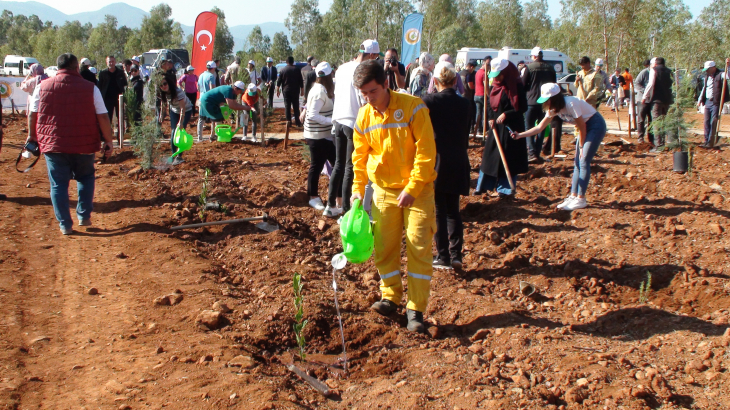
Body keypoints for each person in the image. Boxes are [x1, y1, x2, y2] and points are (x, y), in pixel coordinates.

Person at [351, 60, 437, 333]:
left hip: (418, 191)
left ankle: (416, 309)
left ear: (386, 84)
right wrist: (356, 191)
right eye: (364, 94)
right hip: (384, 193)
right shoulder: (364, 116)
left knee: (418, 247)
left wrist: (412, 189)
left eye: (373, 91)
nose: (368, 98)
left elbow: (426, 153)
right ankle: (390, 296)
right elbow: (359, 159)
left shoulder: (413, 108)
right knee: (384, 247)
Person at [26, 53, 114, 235]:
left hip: (53, 145)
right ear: (76, 68)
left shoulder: (42, 87)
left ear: (58, 68)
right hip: (84, 144)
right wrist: (108, 140)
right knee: (86, 177)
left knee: (58, 184)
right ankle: (84, 216)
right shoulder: (91, 88)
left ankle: (65, 225)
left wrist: (32, 137)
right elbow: (103, 116)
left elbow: (33, 114)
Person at [512, 83, 606, 211]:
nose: (545, 103)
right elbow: (540, 127)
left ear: (554, 98)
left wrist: (582, 146)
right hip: (584, 129)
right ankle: (573, 196)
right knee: (577, 162)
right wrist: (520, 135)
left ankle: (581, 198)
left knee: (583, 160)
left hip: (595, 126)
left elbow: (582, 127)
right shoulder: (553, 109)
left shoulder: (571, 103)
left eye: (547, 100)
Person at [422, 61, 470, 271]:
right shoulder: (468, 104)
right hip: (460, 159)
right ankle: (456, 255)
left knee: (439, 209)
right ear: (455, 80)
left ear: (435, 81)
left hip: (439, 160)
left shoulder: (429, 101)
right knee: (454, 211)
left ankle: (443, 257)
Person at [327, 39, 380, 217]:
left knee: (339, 164)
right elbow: (361, 97)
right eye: (376, 58)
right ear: (371, 55)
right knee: (351, 166)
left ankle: (331, 205)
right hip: (353, 121)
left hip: (338, 120)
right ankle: (346, 212)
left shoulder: (342, 68)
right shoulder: (361, 70)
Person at [476, 58, 527, 197]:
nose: (497, 78)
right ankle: (483, 186)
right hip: (496, 127)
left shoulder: (516, 86)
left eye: (499, 74)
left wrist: (507, 114)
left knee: (509, 158)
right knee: (490, 157)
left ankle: (505, 189)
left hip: (511, 127)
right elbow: (490, 104)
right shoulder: (495, 86)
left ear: (506, 72)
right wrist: (491, 118)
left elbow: (522, 107)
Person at [304, 62, 338, 211]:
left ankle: (338, 196)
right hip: (317, 135)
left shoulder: (321, 88)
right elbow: (312, 115)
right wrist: (332, 122)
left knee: (337, 163)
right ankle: (313, 197)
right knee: (316, 165)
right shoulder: (319, 92)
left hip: (323, 134)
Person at [521, 46, 557, 162]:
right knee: (541, 127)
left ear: (534, 56)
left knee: (529, 127)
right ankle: (537, 152)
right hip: (546, 102)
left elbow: (523, 84)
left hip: (531, 102)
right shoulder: (550, 69)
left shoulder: (529, 68)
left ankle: (531, 153)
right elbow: (554, 85)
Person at [159, 72, 193, 163]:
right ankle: (174, 156)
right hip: (174, 111)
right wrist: (161, 117)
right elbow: (163, 105)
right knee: (173, 132)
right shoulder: (163, 93)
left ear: (169, 83)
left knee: (179, 132)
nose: (163, 86)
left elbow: (183, 108)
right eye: (161, 85)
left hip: (186, 110)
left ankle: (179, 157)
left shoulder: (178, 92)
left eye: (165, 83)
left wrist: (181, 122)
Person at [642, 57, 673, 150]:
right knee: (664, 122)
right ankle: (663, 143)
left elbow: (651, 84)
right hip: (667, 100)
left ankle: (659, 146)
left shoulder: (654, 70)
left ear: (655, 63)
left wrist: (644, 96)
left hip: (657, 100)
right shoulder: (670, 71)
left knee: (656, 123)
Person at [697, 59, 730, 147]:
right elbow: (704, 88)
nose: (707, 71)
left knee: (713, 121)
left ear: (713, 67)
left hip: (716, 102)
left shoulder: (721, 75)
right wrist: (700, 99)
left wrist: (728, 66)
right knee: (706, 121)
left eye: (708, 69)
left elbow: (728, 76)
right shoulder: (707, 77)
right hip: (708, 101)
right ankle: (706, 140)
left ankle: (711, 141)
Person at [98, 55, 128, 124]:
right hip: (107, 99)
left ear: (115, 62)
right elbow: (100, 86)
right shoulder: (103, 73)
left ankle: (120, 133)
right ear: (106, 63)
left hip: (119, 98)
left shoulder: (120, 72)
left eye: (112, 61)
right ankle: (108, 133)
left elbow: (125, 84)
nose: (111, 63)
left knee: (120, 117)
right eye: (109, 62)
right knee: (108, 118)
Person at [277, 56, 304, 127]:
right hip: (295, 90)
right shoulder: (297, 69)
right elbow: (300, 81)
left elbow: (279, 81)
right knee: (296, 106)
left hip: (286, 91)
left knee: (287, 106)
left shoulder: (283, 70)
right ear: (293, 61)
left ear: (286, 62)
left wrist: (277, 90)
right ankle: (297, 122)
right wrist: (302, 90)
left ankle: (289, 122)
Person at [197, 61, 218, 141]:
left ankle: (199, 137)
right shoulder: (211, 76)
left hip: (201, 97)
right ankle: (212, 135)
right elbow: (212, 88)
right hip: (208, 98)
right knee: (213, 117)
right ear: (213, 68)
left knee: (201, 118)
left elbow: (198, 88)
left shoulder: (201, 75)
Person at [634, 59, 653, 144]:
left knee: (651, 120)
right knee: (641, 119)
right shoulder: (644, 73)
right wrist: (645, 91)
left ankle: (651, 139)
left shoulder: (655, 74)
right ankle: (640, 137)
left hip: (652, 100)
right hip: (642, 100)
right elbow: (637, 83)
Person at [474, 56, 492, 135]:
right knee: (485, 113)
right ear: (484, 64)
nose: (489, 67)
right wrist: (489, 95)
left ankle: (478, 130)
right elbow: (486, 86)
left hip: (476, 95)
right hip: (482, 95)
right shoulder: (483, 73)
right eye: (488, 65)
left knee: (478, 113)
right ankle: (484, 130)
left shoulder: (477, 72)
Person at [462, 60, 477, 134]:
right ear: (471, 67)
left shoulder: (461, 73)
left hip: (461, 96)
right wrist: (477, 88)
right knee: (470, 114)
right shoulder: (468, 75)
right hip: (468, 96)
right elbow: (470, 86)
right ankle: (470, 129)